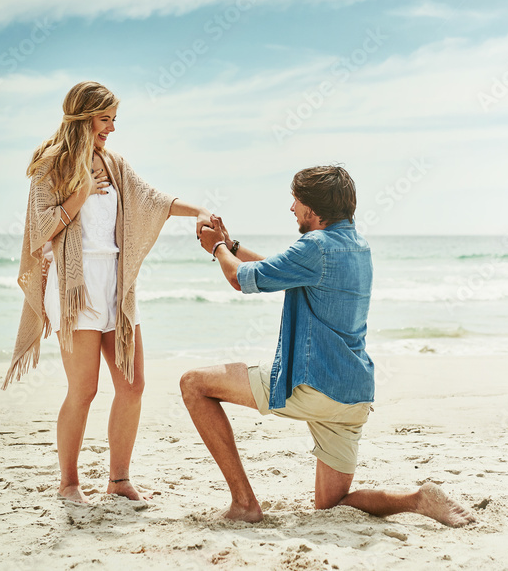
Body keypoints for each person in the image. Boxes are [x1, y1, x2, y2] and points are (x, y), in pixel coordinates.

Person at [180, 165, 476, 526]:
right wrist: (235, 245)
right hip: (352, 396)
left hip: (313, 386)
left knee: (193, 384)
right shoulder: (357, 246)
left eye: (297, 202)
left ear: (313, 211)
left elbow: (240, 280)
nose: (292, 209)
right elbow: (280, 269)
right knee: (333, 505)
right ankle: (417, 499)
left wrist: (218, 248)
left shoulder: (315, 246)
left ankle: (244, 503)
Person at [3, 81, 211, 505]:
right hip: (74, 289)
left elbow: (152, 199)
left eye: (115, 120)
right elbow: (38, 232)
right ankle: (69, 483)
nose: (112, 128)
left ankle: (118, 481)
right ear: (83, 117)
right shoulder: (51, 166)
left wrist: (202, 210)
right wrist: (78, 195)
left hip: (116, 287)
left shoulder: (114, 163)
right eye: (105, 119)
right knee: (84, 390)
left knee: (133, 384)